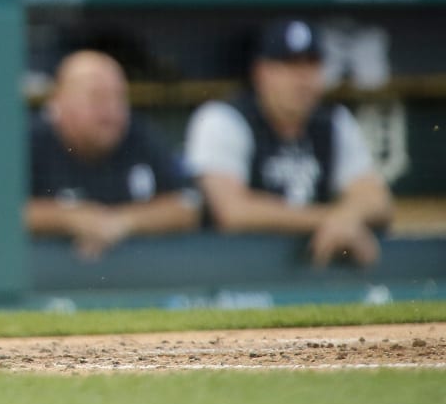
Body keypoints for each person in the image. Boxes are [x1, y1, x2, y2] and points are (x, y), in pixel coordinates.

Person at [185, 19, 394, 266]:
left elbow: (378, 200)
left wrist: (346, 217)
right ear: (261, 72)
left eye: (312, 65)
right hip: (229, 269)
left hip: (311, 265)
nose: (302, 79)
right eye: (290, 65)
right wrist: (334, 219)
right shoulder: (223, 118)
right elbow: (233, 212)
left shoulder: (334, 122)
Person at [26, 51, 199, 260]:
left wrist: (121, 221)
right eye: (96, 97)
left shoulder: (139, 134)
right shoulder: (30, 140)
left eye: (118, 97)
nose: (110, 109)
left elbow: (186, 207)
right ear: (59, 101)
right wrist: (68, 217)